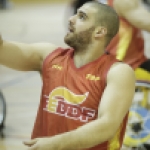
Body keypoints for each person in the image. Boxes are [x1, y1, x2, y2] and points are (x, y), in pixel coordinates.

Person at [0, 1, 135, 150]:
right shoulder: (48, 56)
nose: (71, 19)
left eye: (82, 17)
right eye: (75, 14)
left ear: (99, 32)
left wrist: (55, 144)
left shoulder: (118, 72)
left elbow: (107, 126)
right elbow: (2, 50)